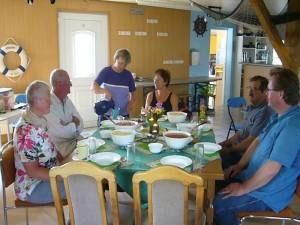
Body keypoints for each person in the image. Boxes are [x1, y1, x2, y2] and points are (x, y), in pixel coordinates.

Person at [213, 68, 300, 225]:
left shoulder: (293, 125)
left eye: (269, 89)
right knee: (214, 182)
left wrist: (243, 188)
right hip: (253, 179)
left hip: (267, 194)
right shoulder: (277, 116)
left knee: (218, 204)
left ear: (281, 94)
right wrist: (239, 166)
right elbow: (257, 141)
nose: (266, 93)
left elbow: (273, 167)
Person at [13, 80, 67, 204]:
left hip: (49, 174)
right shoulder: (26, 131)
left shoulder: (40, 120)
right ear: (38, 100)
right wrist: (61, 175)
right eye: (49, 98)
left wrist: (65, 165)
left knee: (84, 178)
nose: (51, 102)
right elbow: (33, 171)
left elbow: (52, 148)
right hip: (32, 186)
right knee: (83, 185)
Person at [219, 76, 273, 169]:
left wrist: (228, 150)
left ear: (265, 92)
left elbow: (251, 141)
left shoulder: (264, 112)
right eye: (249, 88)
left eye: (254, 89)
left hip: (242, 155)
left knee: (212, 165)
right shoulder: (252, 107)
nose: (250, 92)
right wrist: (221, 145)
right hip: (235, 149)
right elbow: (241, 133)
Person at [44, 69, 84, 158]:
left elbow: (81, 124)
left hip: (74, 141)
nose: (71, 85)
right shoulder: (48, 104)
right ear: (59, 85)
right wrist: (74, 123)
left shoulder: (66, 100)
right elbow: (61, 132)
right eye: (69, 82)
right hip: (60, 149)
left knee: (93, 147)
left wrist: (69, 125)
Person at [91, 48, 136, 121]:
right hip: (106, 114)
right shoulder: (106, 71)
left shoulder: (128, 75)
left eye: (125, 65)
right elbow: (93, 87)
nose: (122, 67)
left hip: (123, 115)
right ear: (115, 59)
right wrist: (105, 91)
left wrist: (130, 103)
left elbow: (133, 93)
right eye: (120, 63)